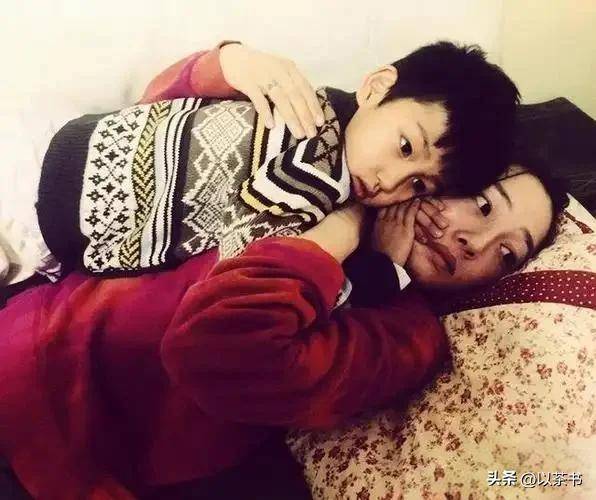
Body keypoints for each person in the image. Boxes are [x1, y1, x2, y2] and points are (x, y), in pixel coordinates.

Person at [0, 154, 567, 499]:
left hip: (61, 442)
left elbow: (218, 349)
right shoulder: (345, 169)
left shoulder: (407, 338)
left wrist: (351, 239)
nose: (474, 242)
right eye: (484, 206)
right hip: (30, 322)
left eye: (506, 254)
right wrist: (231, 62)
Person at [0, 40, 519, 291]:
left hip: (61, 189)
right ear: (377, 87)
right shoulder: (313, 165)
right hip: (34, 190)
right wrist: (385, 273)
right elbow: (259, 275)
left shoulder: (327, 119)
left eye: (420, 184)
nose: (391, 183)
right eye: (405, 147)